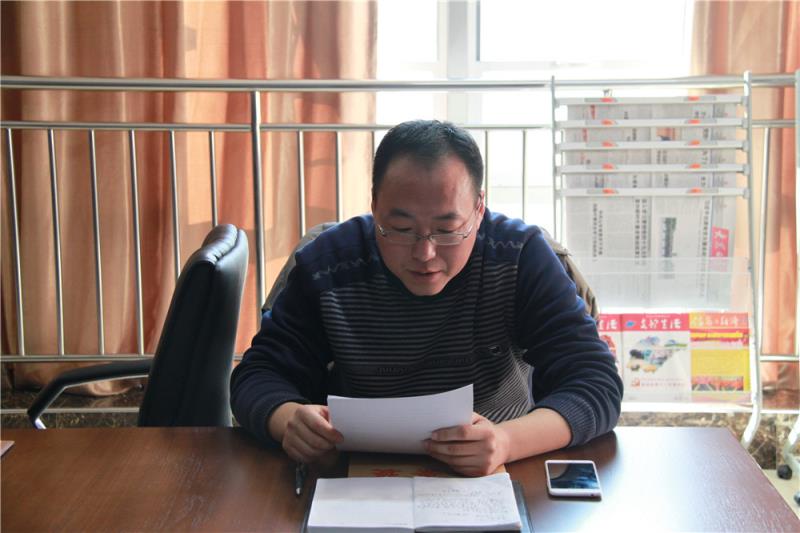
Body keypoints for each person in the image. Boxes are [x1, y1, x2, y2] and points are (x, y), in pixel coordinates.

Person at [231, 120, 623, 476]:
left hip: (496, 472)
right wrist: (289, 419)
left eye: (447, 230)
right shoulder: (328, 263)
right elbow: (258, 374)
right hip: (357, 474)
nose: (424, 253)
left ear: (478, 208)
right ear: (374, 206)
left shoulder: (519, 257)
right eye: (400, 229)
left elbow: (596, 382)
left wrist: (506, 441)